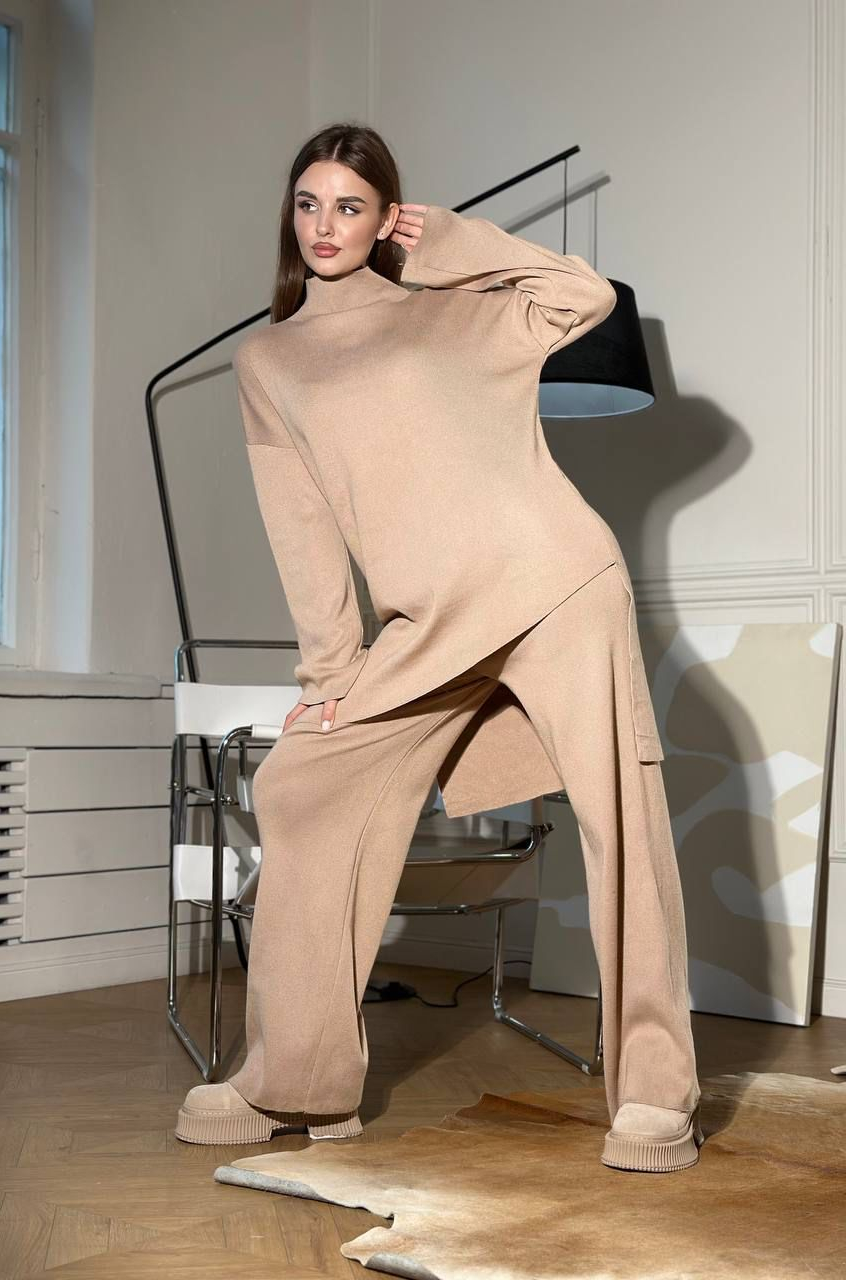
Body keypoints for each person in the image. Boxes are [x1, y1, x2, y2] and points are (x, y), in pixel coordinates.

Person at [175, 122, 703, 1174]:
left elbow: (586, 296)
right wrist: (332, 674)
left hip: (556, 583)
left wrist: (456, 244)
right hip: (428, 624)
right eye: (309, 204)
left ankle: (655, 1095)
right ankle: (298, 1081)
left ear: (386, 218)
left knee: (622, 818)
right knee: (300, 786)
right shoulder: (269, 360)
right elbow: (301, 524)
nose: (326, 225)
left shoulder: (453, 308)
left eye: (351, 206)